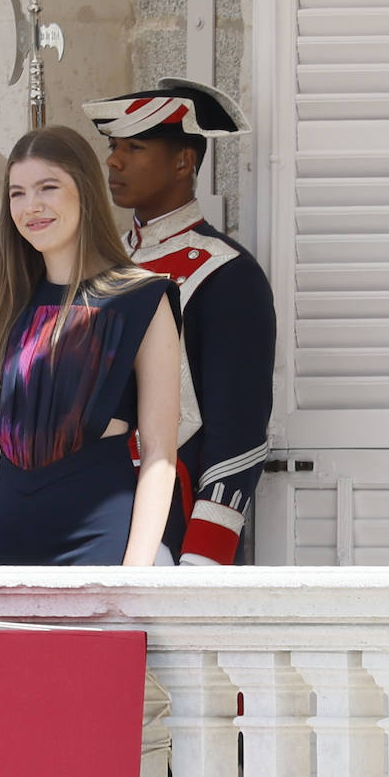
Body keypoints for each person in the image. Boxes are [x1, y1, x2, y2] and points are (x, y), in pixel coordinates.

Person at [0, 125, 181, 565]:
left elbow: (159, 454)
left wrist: (134, 577)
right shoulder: (9, 305)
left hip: (99, 540)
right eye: (17, 193)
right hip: (9, 536)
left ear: (85, 191)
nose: (30, 206)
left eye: (48, 187)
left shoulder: (142, 298)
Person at [84, 78, 275, 565]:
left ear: (183, 162)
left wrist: (204, 554)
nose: (114, 161)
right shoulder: (102, 265)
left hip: (174, 516)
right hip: (89, 510)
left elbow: (239, 431)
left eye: (135, 147)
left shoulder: (227, 272)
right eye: (113, 147)